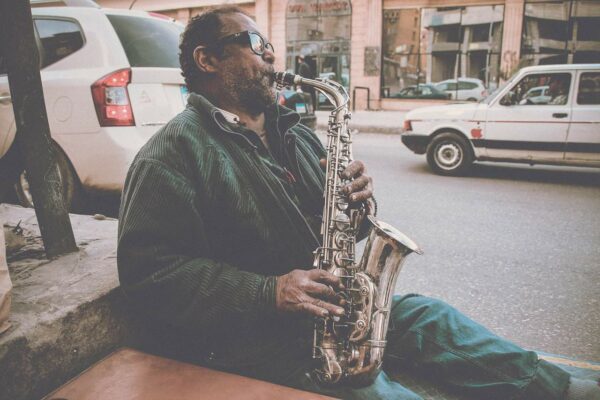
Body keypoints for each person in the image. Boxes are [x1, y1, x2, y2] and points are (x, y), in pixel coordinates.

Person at [117, 6, 599, 400]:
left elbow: (344, 229)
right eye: (256, 45)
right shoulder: (171, 155)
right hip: (258, 337)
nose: (271, 56)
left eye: (270, 45)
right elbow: (149, 275)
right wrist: (270, 292)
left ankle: (560, 389)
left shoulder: (295, 134)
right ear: (207, 60)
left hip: (331, 308)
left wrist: (360, 206)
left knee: (433, 319)